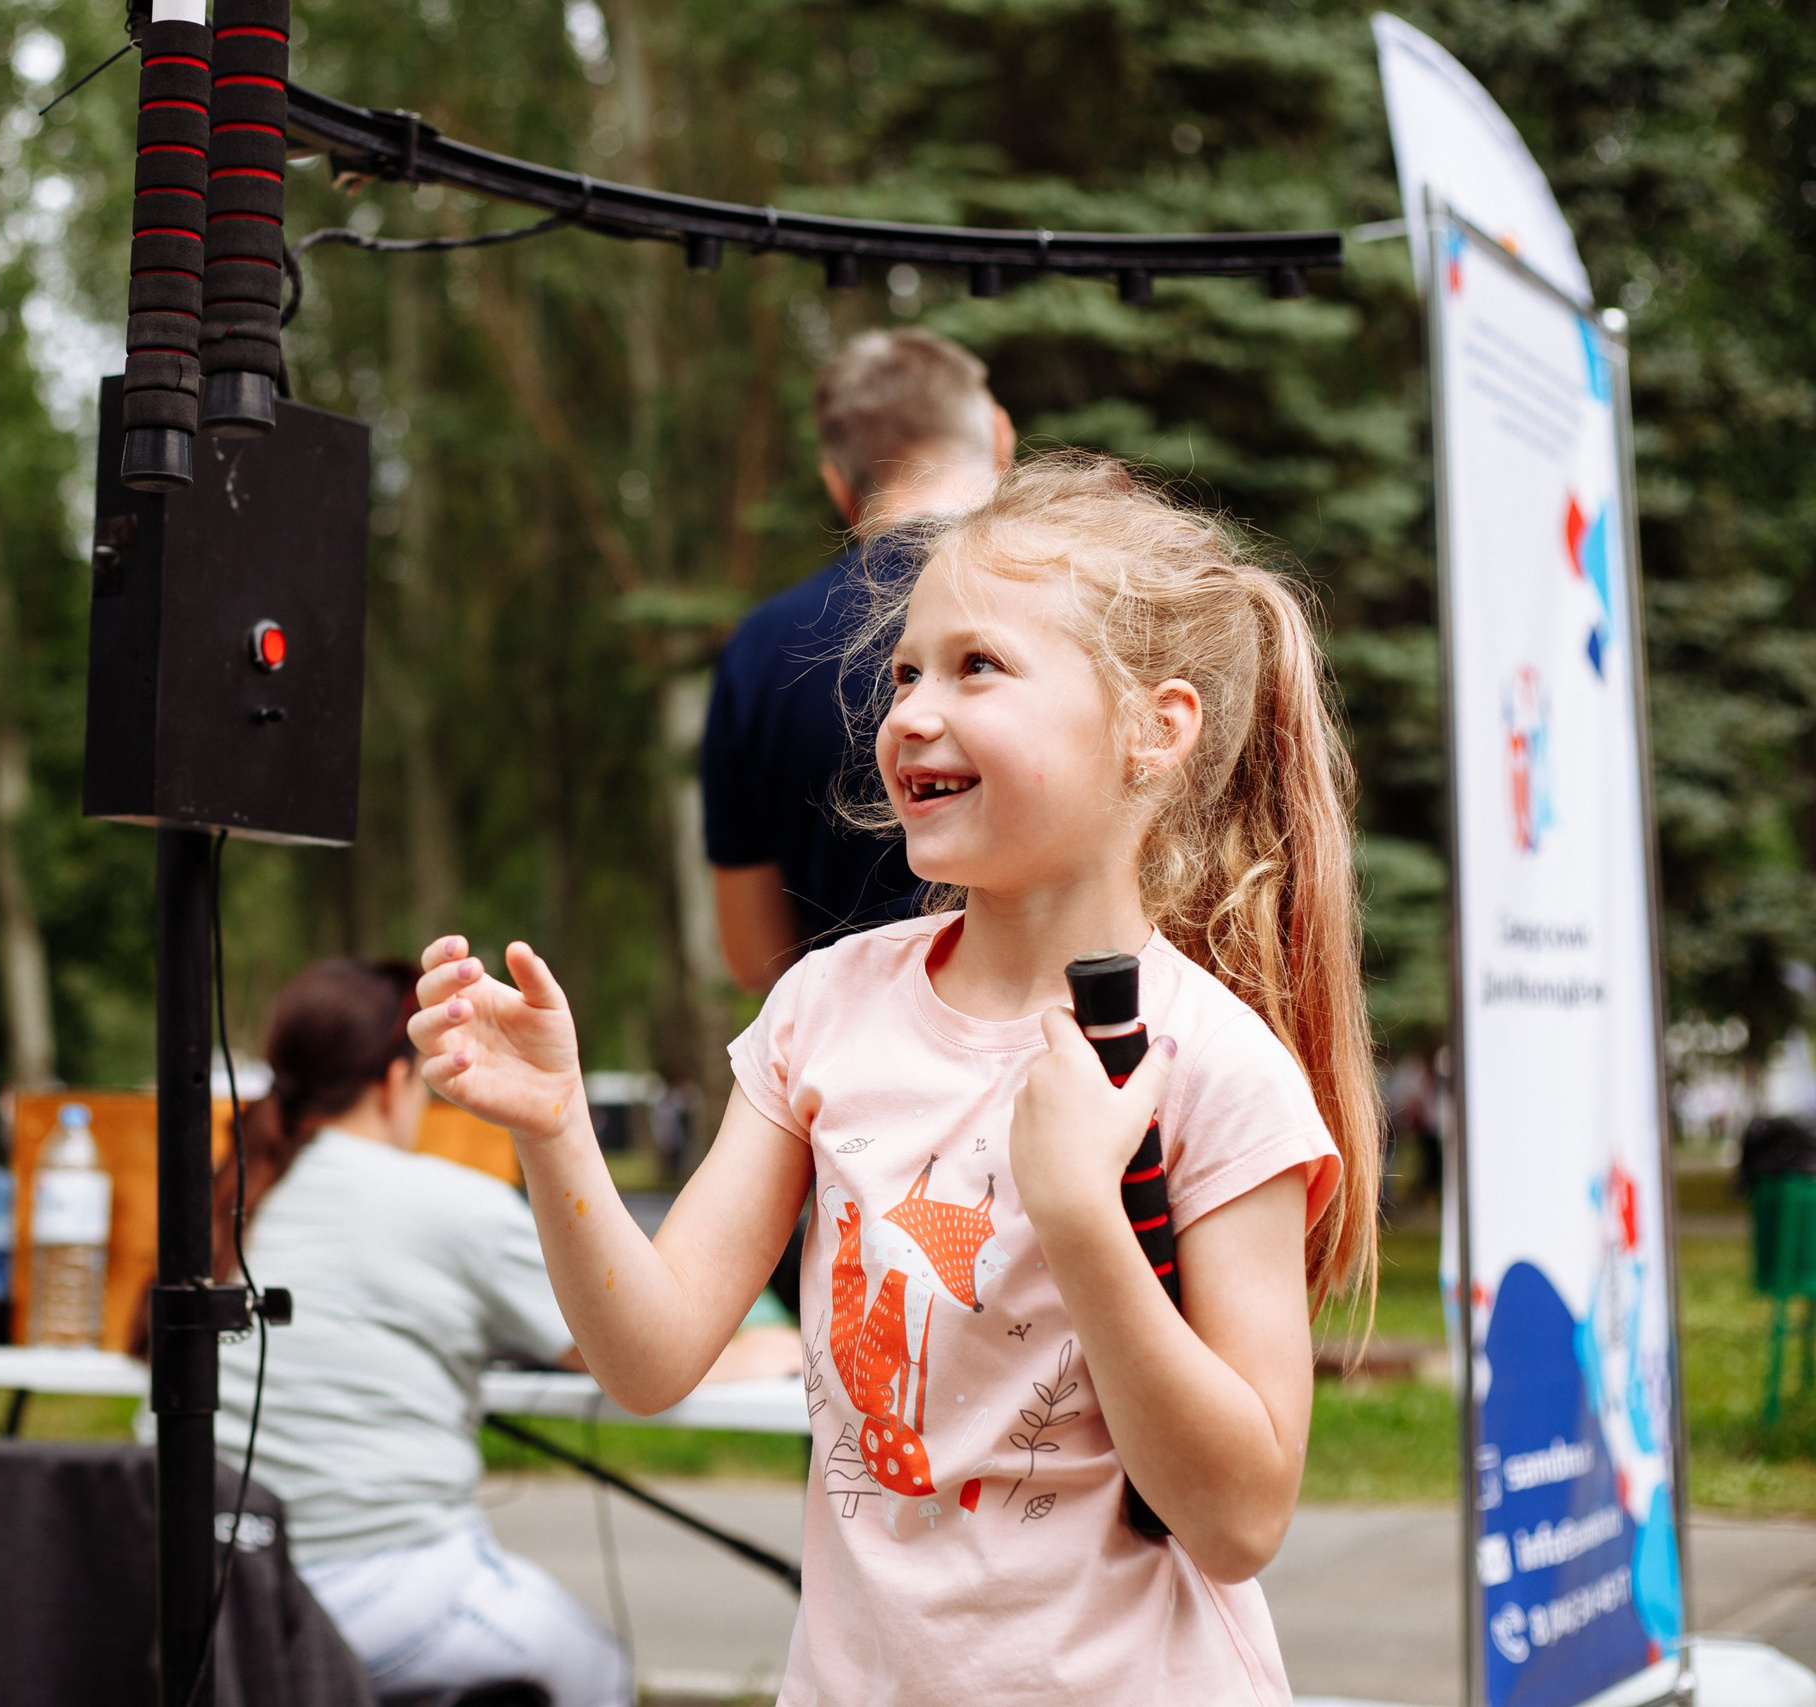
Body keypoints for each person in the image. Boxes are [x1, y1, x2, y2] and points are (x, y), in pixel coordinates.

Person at [413, 454, 1384, 1703]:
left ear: (1156, 729)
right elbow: (649, 1361)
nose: (912, 712)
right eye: (905, 671)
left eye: (978, 666)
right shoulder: (825, 1009)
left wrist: (1084, 1218)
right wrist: (554, 1130)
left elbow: (1241, 1520)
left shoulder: (1215, 1069)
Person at [195, 959, 630, 1707]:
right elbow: (622, 1342)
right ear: (397, 1080)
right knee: (598, 1668)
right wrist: (762, 1345)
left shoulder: (234, 1199)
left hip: (215, 1587)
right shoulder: (448, 1199)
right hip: (374, 1582)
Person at [701, 327, 1015, 993]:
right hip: (1063, 1044)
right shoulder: (1068, 601)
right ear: (1001, 437)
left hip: (846, 1068)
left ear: (838, 485)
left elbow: (754, 952)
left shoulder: (760, 648)